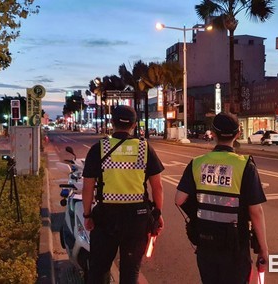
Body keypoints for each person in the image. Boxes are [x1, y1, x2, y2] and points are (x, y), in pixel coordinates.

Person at [175, 112, 268, 284]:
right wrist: (264, 249)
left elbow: (179, 199)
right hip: (235, 245)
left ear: (213, 133)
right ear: (238, 134)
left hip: (205, 241)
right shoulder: (245, 165)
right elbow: (255, 211)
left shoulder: (197, 163)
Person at [82, 105, 165, 284]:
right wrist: (157, 213)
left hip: (105, 217)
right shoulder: (144, 148)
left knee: (98, 270)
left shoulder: (99, 148)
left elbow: (87, 187)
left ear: (112, 123)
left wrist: (87, 214)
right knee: (130, 271)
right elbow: (157, 186)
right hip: (137, 219)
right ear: (134, 125)